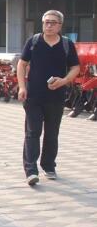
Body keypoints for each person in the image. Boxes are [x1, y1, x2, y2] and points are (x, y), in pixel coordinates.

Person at [17, 10, 80, 186]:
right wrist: (22, 87)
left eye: (53, 22)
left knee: (52, 133)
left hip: (56, 97)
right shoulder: (34, 42)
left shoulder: (66, 44)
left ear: (60, 25)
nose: (49, 25)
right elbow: (22, 64)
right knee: (33, 132)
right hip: (33, 96)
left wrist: (64, 81)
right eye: (46, 22)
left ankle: (49, 165)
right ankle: (31, 170)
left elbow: (75, 67)